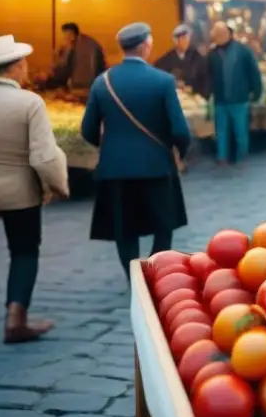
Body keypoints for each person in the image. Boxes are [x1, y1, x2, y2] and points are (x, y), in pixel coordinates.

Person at [81, 23, 191, 279]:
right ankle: (152, 275)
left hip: (115, 169)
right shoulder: (163, 80)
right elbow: (180, 130)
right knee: (164, 226)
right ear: (145, 45)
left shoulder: (102, 82)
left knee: (125, 230)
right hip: (156, 165)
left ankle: (134, 280)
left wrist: (111, 150)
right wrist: (178, 154)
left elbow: (87, 129)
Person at [0, 35, 68, 343]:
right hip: (20, 192)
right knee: (24, 252)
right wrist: (58, 186)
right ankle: (16, 319)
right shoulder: (30, 103)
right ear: (17, 68)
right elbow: (43, 155)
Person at [207, 22, 262, 167]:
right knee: (221, 132)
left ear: (229, 34)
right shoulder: (212, 54)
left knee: (240, 131)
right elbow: (207, 75)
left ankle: (242, 156)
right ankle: (222, 157)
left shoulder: (244, 51)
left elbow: (254, 73)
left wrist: (256, 92)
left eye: (221, 34)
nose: (218, 37)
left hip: (239, 99)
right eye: (216, 34)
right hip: (220, 100)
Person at [155, 24, 210, 98]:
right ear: (175, 41)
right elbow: (158, 76)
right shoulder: (167, 59)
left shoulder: (197, 58)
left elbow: (204, 81)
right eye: (181, 39)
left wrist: (193, 88)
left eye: (185, 38)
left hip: (193, 98)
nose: (184, 42)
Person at [50, 22, 105, 91]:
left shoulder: (83, 48)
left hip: (84, 86)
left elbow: (65, 68)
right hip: (95, 83)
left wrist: (57, 60)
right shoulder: (87, 43)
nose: (65, 39)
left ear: (71, 34)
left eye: (66, 36)